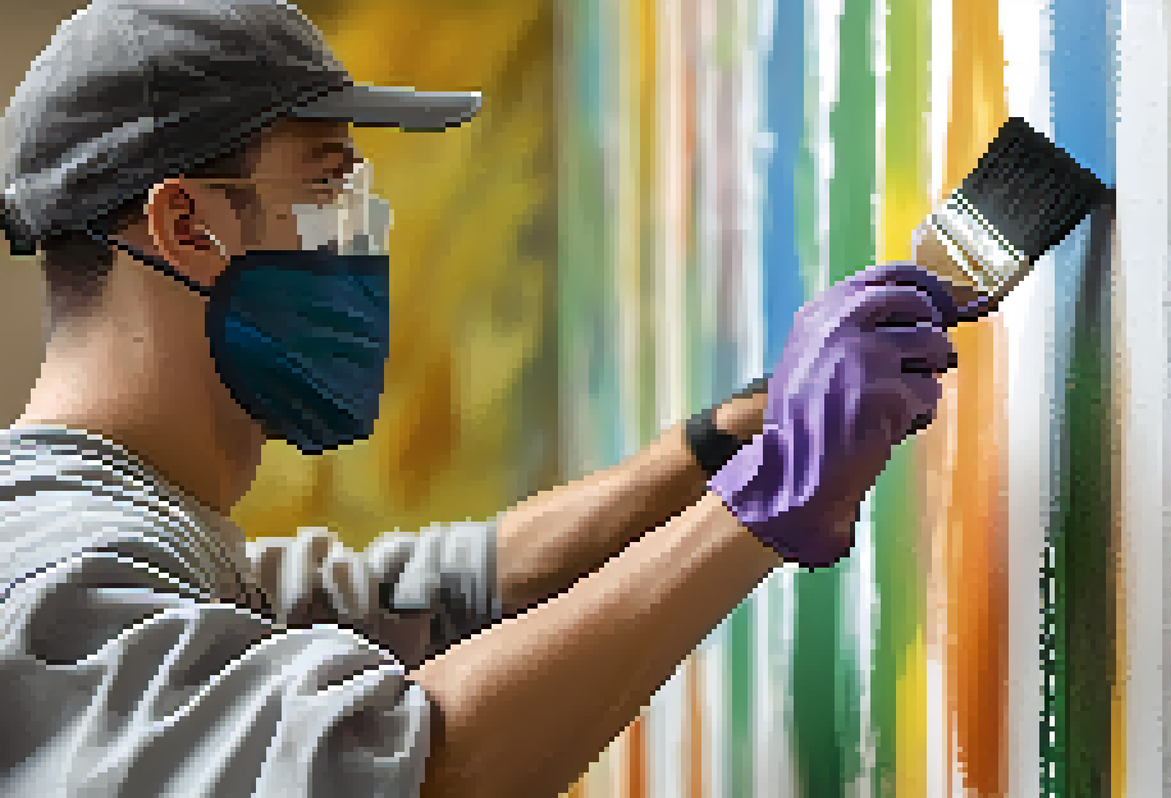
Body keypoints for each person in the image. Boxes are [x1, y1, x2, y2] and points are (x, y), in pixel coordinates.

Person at [0, 1, 957, 797]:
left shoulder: (149, 529)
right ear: (185, 226)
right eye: (327, 186)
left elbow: (442, 590)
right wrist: (770, 498)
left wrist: (716, 441)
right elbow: (397, 766)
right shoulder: (54, 579)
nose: (358, 238)